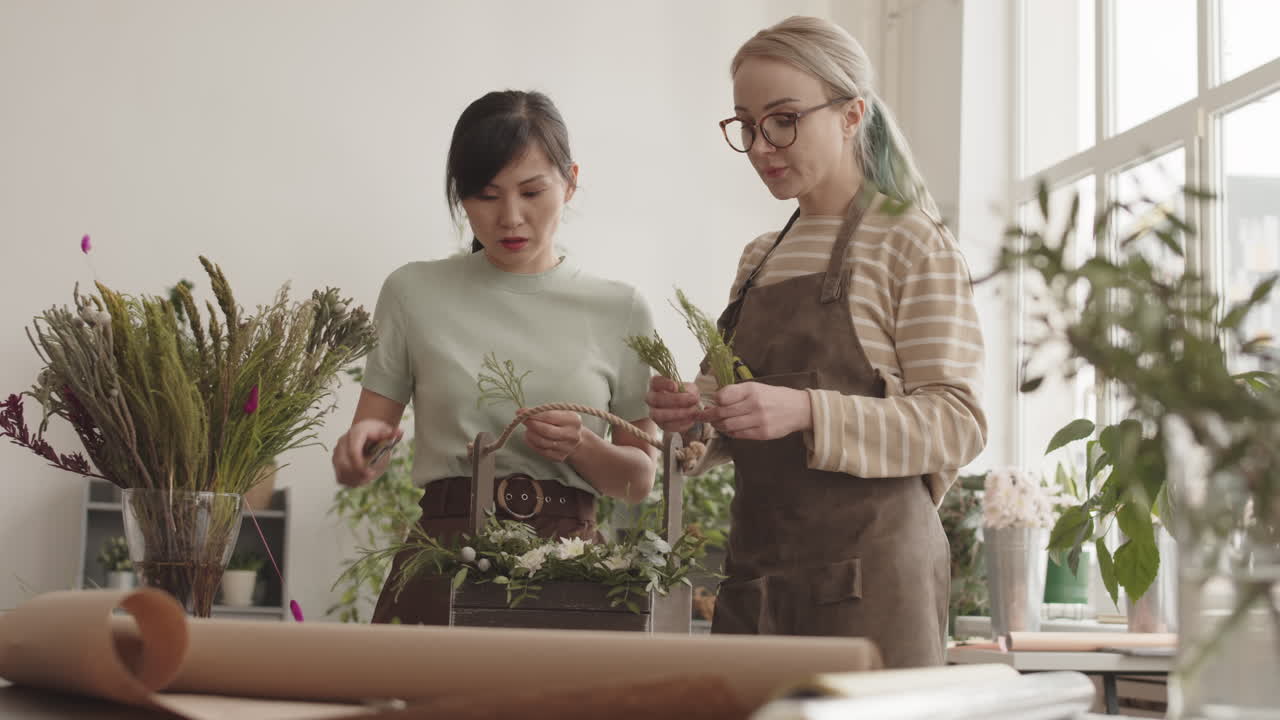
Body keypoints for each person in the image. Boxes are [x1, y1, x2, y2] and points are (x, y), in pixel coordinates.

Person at [646, 16, 986, 668]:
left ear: (852, 114)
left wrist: (806, 411)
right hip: (756, 580)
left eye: (783, 119)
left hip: (875, 586)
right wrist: (690, 417)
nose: (761, 146)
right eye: (745, 125)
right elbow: (722, 407)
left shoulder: (911, 241)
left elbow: (958, 422)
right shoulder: (759, 259)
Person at [332, 90, 659, 625]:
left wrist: (580, 446)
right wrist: (359, 455)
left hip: (569, 568)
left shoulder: (620, 308)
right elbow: (370, 438)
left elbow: (638, 481)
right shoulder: (413, 291)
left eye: (533, 191)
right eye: (485, 195)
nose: (511, 218)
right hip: (442, 559)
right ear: (461, 196)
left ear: (571, 180)